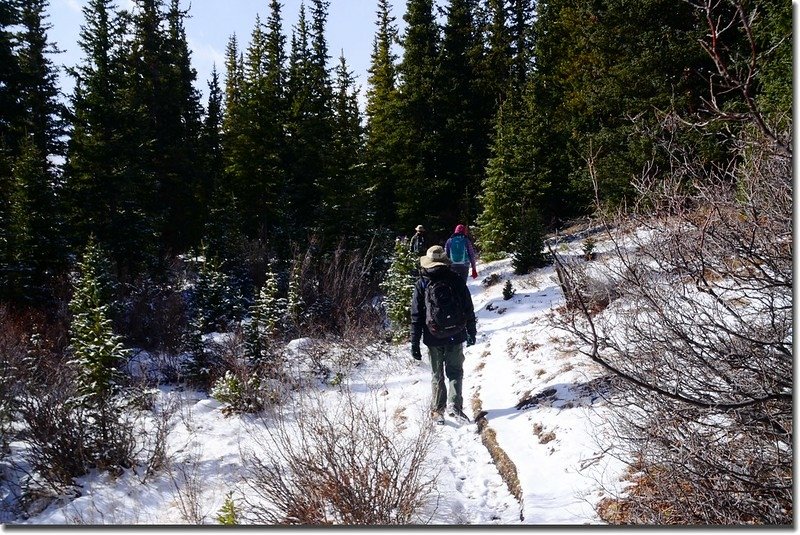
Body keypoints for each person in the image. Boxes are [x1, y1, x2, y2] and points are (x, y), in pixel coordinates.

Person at [410, 245, 477, 424]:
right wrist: (471, 331)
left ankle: (438, 411)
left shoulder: (422, 283)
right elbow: (467, 307)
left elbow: (416, 315)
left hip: (433, 336)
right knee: (455, 371)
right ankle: (455, 405)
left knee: (436, 373)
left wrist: (414, 342)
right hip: (456, 332)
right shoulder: (455, 279)